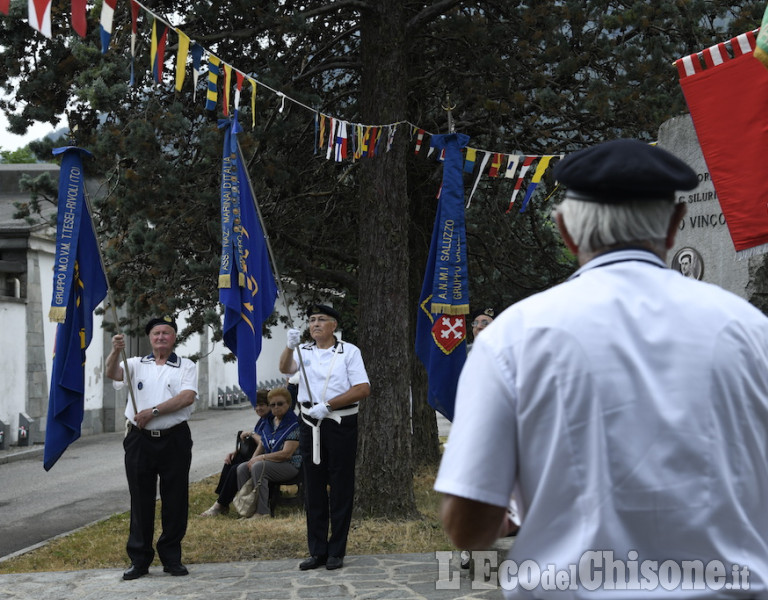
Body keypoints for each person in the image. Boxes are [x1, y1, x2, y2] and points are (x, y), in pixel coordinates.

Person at [435, 138, 768, 597]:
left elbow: (468, 527)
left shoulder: (512, 338)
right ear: (674, 226)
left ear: (567, 231)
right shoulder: (752, 332)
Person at [279, 304, 370, 571]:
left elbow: (363, 388)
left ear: (334, 325)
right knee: (313, 487)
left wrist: (329, 405)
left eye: (321, 319)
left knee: (341, 486)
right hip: (309, 422)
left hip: (339, 422)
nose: (315, 324)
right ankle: (317, 550)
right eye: (311, 320)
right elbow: (286, 369)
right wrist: (288, 346)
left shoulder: (348, 351)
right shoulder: (303, 350)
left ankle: (336, 550)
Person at [106, 316, 197, 581]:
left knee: (175, 498)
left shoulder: (186, 366)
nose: (161, 338)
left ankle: (171, 557)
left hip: (174, 439)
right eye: (156, 333)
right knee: (140, 499)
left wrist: (153, 412)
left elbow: (187, 397)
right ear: (149, 337)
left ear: (174, 337)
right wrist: (115, 351)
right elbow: (113, 373)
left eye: (166, 333)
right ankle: (139, 559)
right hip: (139, 440)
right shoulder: (134, 363)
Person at [200, 389, 270, 517]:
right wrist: (235, 452)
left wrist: (251, 433)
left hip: (264, 457)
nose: (258, 408)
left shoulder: (270, 420)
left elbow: (265, 442)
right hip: (254, 454)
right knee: (230, 461)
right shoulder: (262, 420)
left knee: (235, 469)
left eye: (262, 405)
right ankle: (222, 502)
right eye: (256, 405)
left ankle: (220, 504)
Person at [235, 387, 302, 518]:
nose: (276, 407)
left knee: (259, 467)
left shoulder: (293, 424)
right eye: (273, 405)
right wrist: (252, 459)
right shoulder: (270, 422)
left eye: (280, 404)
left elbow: (286, 454)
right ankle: (247, 509)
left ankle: (262, 512)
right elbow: (262, 444)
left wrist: (260, 459)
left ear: (288, 404)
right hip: (271, 462)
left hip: (290, 465)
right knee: (242, 468)